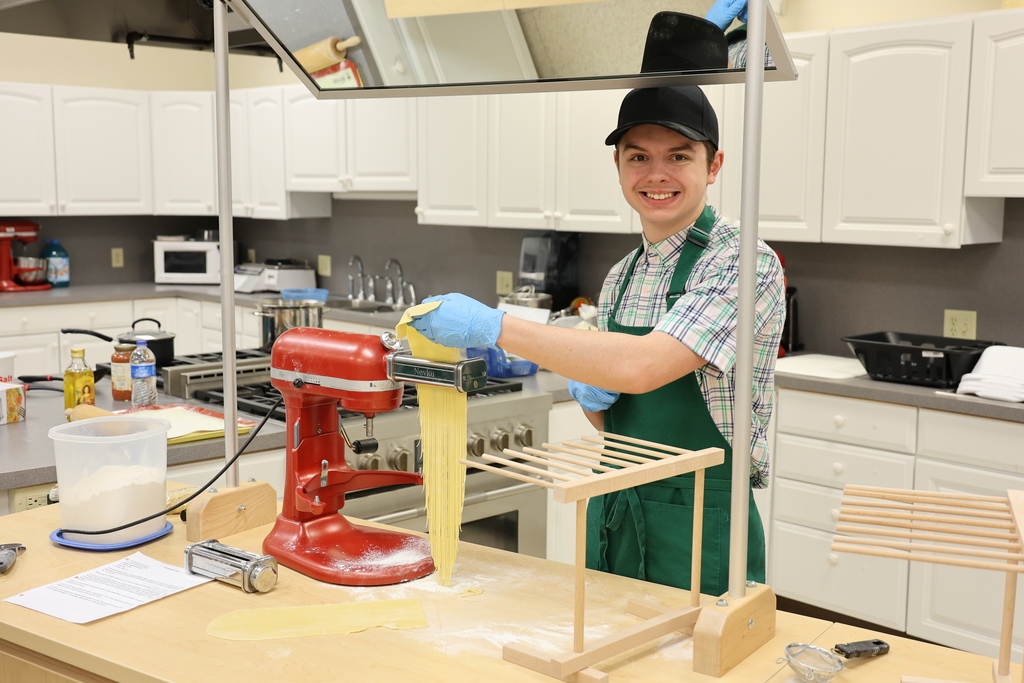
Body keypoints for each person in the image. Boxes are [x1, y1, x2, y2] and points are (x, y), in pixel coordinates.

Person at [410, 84, 785, 597]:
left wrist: (495, 327)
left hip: (701, 519)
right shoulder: (621, 277)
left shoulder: (744, 263)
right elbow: (610, 416)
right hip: (614, 504)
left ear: (714, 165)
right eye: (638, 157)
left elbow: (642, 368)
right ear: (618, 165)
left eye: (679, 156)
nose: (656, 174)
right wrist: (590, 392)